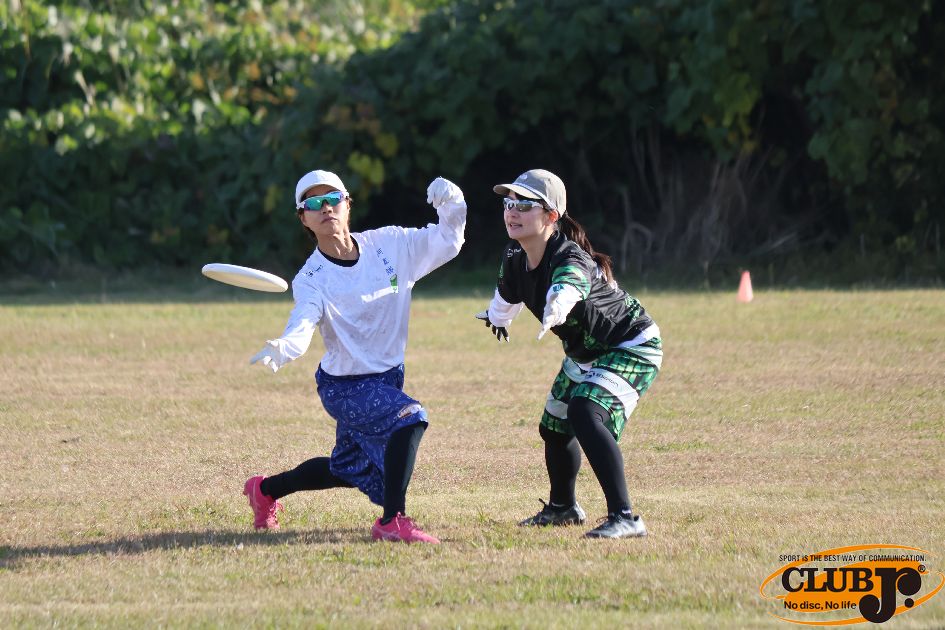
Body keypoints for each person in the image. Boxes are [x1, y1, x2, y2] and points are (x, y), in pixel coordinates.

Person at [244, 169, 466, 544]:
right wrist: (286, 346)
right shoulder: (311, 278)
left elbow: (448, 241)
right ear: (303, 218)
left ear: (348, 204)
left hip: (387, 376)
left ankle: (265, 490)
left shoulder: (391, 244)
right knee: (410, 416)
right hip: (344, 386)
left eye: (333, 199)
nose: (325, 208)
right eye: (314, 203)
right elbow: (303, 321)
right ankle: (392, 521)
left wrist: (453, 205)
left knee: (347, 469)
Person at [476, 169, 662, 539]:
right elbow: (507, 296)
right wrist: (497, 317)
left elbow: (570, 284)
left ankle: (625, 517)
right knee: (554, 426)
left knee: (584, 412)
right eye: (509, 204)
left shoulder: (569, 256)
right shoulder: (514, 254)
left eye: (524, 205)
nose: (512, 212)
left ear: (551, 216)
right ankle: (563, 508)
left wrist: (557, 306)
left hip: (631, 346)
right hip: (585, 353)